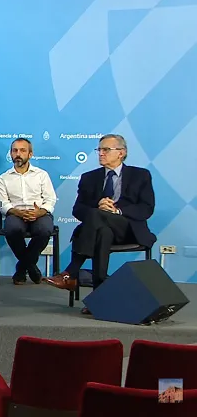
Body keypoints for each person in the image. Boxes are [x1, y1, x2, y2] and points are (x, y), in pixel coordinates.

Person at [45, 134, 156, 315]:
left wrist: (117, 211)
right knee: (102, 232)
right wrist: (99, 205)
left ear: (121, 153)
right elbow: (78, 210)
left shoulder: (140, 175)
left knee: (97, 217)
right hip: (99, 231)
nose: (101, 153)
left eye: (106, 150)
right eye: (99, 150)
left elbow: (146, 208)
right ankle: (98, 299)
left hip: (128, 229)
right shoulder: (89, 177)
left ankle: (71, 272)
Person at [0, 138, 57, 284]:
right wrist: (18, 213)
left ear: (30, 154)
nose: (18, 154)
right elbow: (3, 204)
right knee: (12, 229)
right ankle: (31, 267)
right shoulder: (4, 178)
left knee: (44, 230)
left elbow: (50, 199)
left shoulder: (41, 175)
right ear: (11, 154)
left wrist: (39, 212)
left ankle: (22, 268)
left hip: (39, 213)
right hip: (15, 214)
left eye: (22, 150)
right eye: (15, 150)